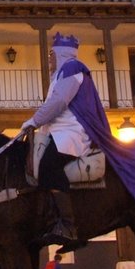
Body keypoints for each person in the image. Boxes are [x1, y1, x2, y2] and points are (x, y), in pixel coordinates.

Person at [21, 33, 94, 248]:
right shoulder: (60, 74)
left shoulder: (72, 70)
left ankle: (68, 225)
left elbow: (59, 102)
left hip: (72, 132)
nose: (50, 59)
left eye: (52, 54)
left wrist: (34, 121)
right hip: (59, 131)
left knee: (48, 167)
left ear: (62, 53)